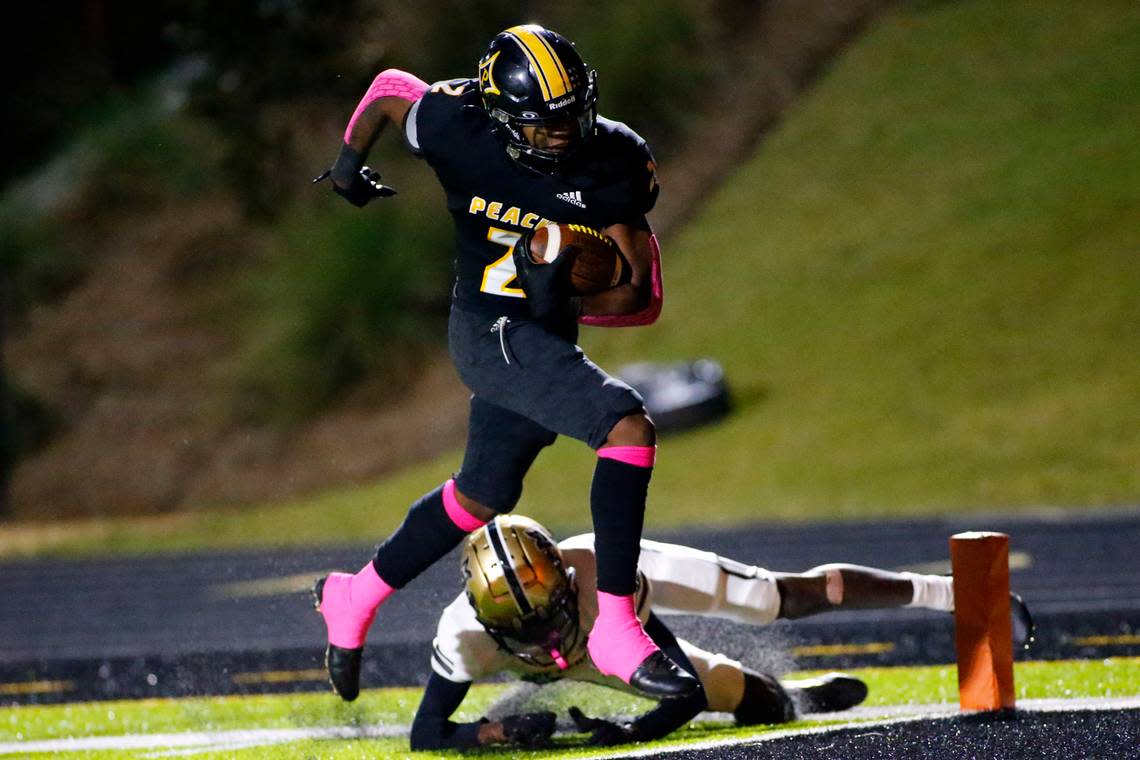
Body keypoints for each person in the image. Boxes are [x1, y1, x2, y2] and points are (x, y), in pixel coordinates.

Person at [311, 24, 693, 703]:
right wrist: (347, 164)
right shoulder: (461, 127)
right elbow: (391, 91)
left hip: (543, 334)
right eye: (543, 126)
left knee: (479, 497)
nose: (562, 135)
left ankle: (354, 595)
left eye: (572, 116)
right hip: (488, 332)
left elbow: (641, 299)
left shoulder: (614, 158)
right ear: (499, 116)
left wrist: (566, 282)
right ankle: (615, 628)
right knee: (626, 429)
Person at [408, 515, 1035, 749]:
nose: (544, 628)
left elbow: (679, 692)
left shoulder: (607, 585)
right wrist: (492, 733)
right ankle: (797, 698)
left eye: (549, 607)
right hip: (589, 644)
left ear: (568, 580)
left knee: (774, 599)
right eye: (526, 622)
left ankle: (952, 594)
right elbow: (426, 734)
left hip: (619, 617)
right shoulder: (463, 634)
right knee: (753, 700)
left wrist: (626, 733)